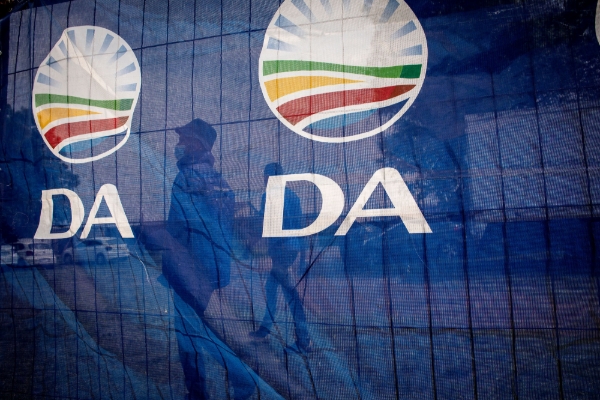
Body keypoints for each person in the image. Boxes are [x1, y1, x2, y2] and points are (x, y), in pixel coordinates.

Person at [145, 118, 257, 399]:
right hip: (212, 268)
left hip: (189, 270)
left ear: (198, 144)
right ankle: (203, 390)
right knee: (193, 329)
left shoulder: (187, 178)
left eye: (183, 140)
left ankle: (233, 381)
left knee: (190, 333)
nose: (177, 146)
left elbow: (178, 229)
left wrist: (154, 238)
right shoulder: (219, 181)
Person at [249, 163, 311, 353]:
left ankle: (302, 339)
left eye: (267, 176)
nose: (265, 180)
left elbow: (267, 223)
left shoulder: (270, 196)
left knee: (287, 292)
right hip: (286, 249)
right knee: (274, 288)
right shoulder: (289, 196)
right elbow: (299, 225)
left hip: (282, 249)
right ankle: (266, 329)